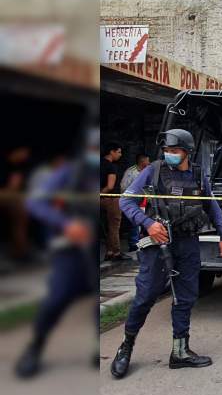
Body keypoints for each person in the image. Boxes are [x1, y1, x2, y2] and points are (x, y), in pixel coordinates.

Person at [111, 129, 222, 379]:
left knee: (185, 297)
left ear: (187, 151)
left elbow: (211, 204)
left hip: (187, 244)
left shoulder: (198, 174)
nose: (169, 155)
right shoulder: (152, 171)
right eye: (166, 151)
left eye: (174, 151)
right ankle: (126, 346)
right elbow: (126, 201)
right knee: (145, 296)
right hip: (158, 244)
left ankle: (180, 352)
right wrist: (148, 223)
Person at [15, 129, 100, 379]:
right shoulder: (69, 173)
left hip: (96, 248)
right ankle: (34, 347)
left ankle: (98, 347)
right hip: (71, 249)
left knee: (98, 303)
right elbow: (35, 202)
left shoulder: (106, 174)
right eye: (93, 149)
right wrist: (65, 224)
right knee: (57, 299)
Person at [120, 154, 150, 251]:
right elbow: (123, 187)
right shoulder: (131, 172)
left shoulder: (147, 171)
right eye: (147, 161)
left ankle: (142, 241)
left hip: (145, 199)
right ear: (142, 162)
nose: (149, 163)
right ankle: (134, 244)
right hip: (133, 200)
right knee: (135, 222)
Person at [100, 142, 125, 261]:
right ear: (112, 152)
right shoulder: (111, 167)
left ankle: (109, 251)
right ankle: (116, 252)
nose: (120, 154)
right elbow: (110, 186)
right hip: (111, 199)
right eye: (119, 152)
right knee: (114, 226)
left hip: (101, 199)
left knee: (105, 226)